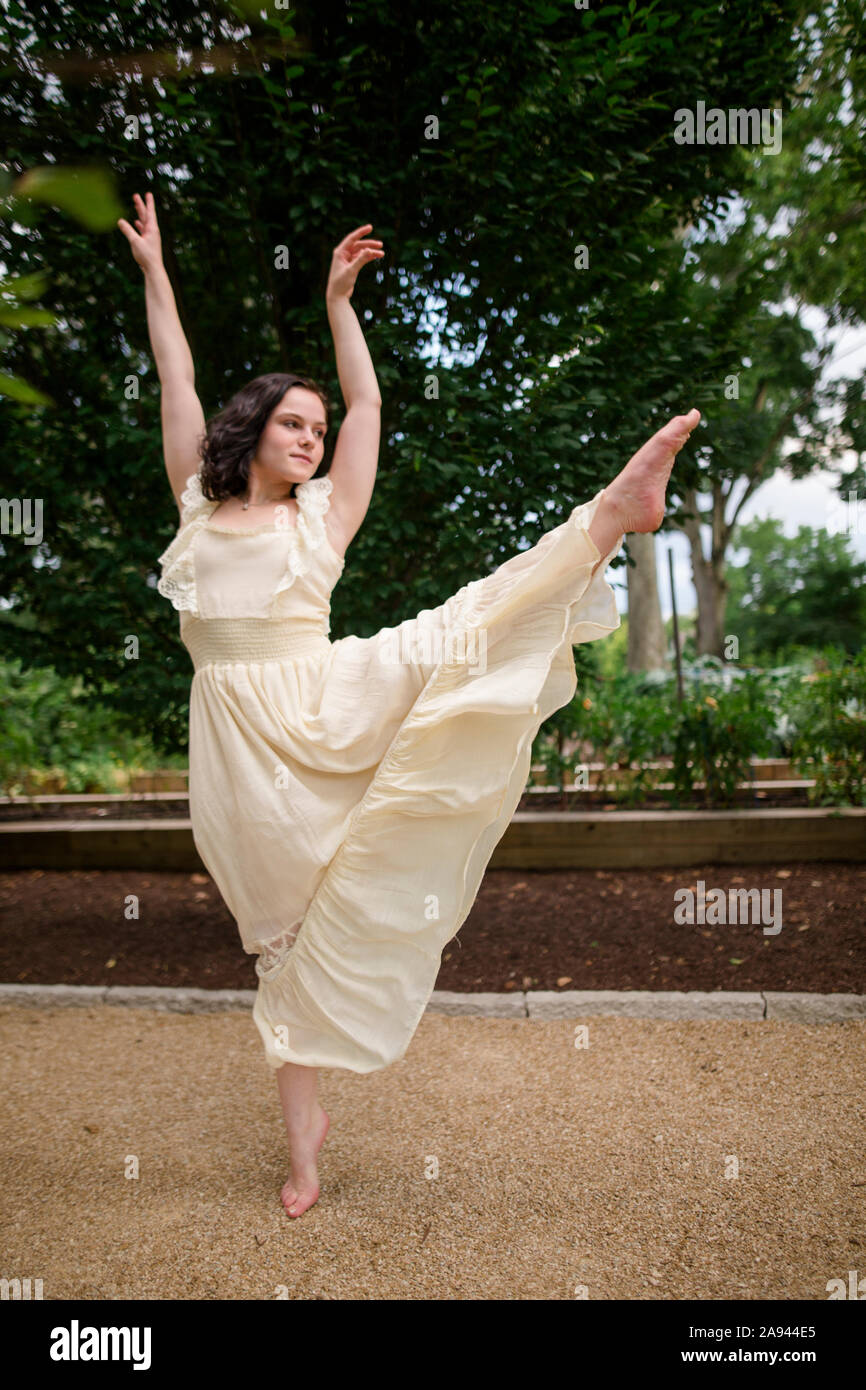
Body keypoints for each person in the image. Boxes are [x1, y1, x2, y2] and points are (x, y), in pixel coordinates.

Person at [118, 192, 700, 1219]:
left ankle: (607, 516)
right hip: (241, 760)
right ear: (248, 429)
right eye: (291, 423)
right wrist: (156, 272)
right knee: (282, 945)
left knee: (455, 631)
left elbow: (371, 412)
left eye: (316, 426)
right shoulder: (196, 511)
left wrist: (341, 306)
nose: (310, 436)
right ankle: (305, 1154)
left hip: (329, 698)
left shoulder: (322, 518)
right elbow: (175, 375)